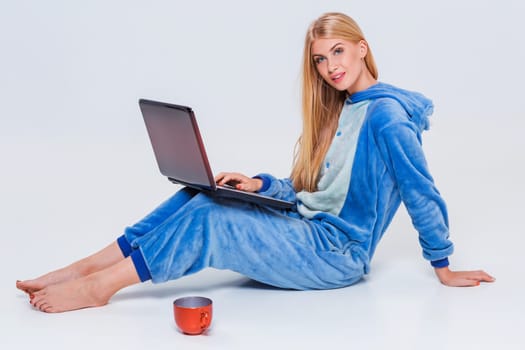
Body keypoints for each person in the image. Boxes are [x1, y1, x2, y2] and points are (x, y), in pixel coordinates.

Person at [17, 12, 495, 313]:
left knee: (211, 220)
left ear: (361, 47)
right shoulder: (345, 110)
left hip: (335, 254)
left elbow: (421, 191)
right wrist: (260, 185)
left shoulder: (388, 117)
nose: (331, 67)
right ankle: (85, 268)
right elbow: (314, 189)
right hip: (306, 228)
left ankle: (102, 288)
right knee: (198, 193)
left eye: (338, 52)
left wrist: (443, 264)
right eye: (320, 60)